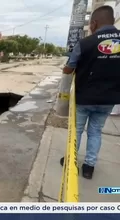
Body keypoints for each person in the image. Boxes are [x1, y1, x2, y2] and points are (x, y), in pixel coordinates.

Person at [61, 5, 120, 179]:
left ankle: (71, 160)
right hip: (109, 99)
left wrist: (67, 67)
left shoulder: (86, 43)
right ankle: (89, 167)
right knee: (95, 131)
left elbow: (68, 69)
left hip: (84, 98)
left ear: (94, 23)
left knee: (77, 130)